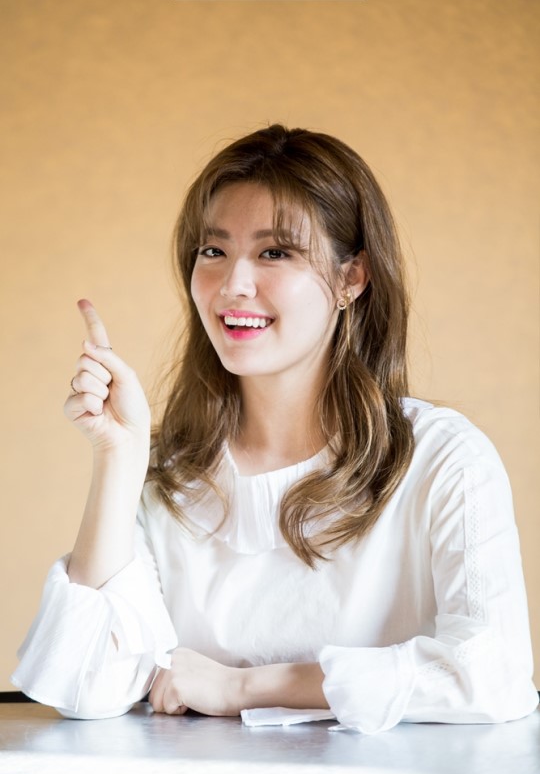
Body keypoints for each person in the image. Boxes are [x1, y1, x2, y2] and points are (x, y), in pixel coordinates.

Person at [12, 124, 538, 733]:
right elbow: (85, 685)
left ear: (351, 279)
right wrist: (119, 456)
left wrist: (246, 688)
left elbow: (493, 673)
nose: (233, 285)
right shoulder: (165, 476)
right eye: (213, 251)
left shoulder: (443, 459)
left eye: (275, 252)